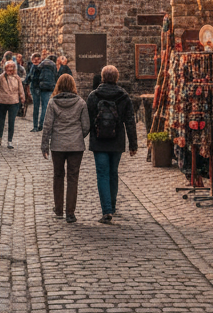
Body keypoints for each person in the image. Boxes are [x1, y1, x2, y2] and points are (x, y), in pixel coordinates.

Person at [86, 64, 138, 223]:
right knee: (113, 173)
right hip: (117, 139)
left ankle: (107, 210)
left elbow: (87, 120)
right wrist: (133, 144)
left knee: (102, 174)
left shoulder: (94, 96)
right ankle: (112, 206)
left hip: (99, 139)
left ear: (102, 78)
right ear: (117, 78)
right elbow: (130, 121)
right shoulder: (123, 96)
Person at [40, 73, 90, 223]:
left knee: (58, 176)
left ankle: (59, 209)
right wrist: (78, 136)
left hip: (58, 144)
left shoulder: (52, 103)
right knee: (73, 178)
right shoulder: (80, 102)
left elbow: (47, 125)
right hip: (76, 145)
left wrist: (45, 145)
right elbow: (86, 126)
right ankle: (70, 212)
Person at [0, 59, 25, 148]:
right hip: (2, 101)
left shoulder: (17, 78)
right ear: (5, 68)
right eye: (8, 68)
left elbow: (21, 89)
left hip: (14, 101)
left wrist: (22, 97)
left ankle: (9, 140)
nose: (10, 70)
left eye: (12, 68)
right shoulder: (1, 77)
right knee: (1, 121)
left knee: (12, 121)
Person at [37, 52, 58, 128]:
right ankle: (44, 124)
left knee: (43, 106)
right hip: (50, 86)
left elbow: (37, 74)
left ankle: (41, 123)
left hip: (42, 86)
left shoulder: (42, 64)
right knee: (47, 106)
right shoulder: (53, 65)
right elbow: (56, 76)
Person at [28, 53, 43, 131]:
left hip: (37, 87)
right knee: (37, 107)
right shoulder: (32, 66)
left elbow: (32, 77)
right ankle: (36, 125)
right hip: (35, 88)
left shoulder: (38, 67)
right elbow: (29, 76)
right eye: (34, 59)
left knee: (37, 107)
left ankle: (37, 125)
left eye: (38, 59)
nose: (36, 61)